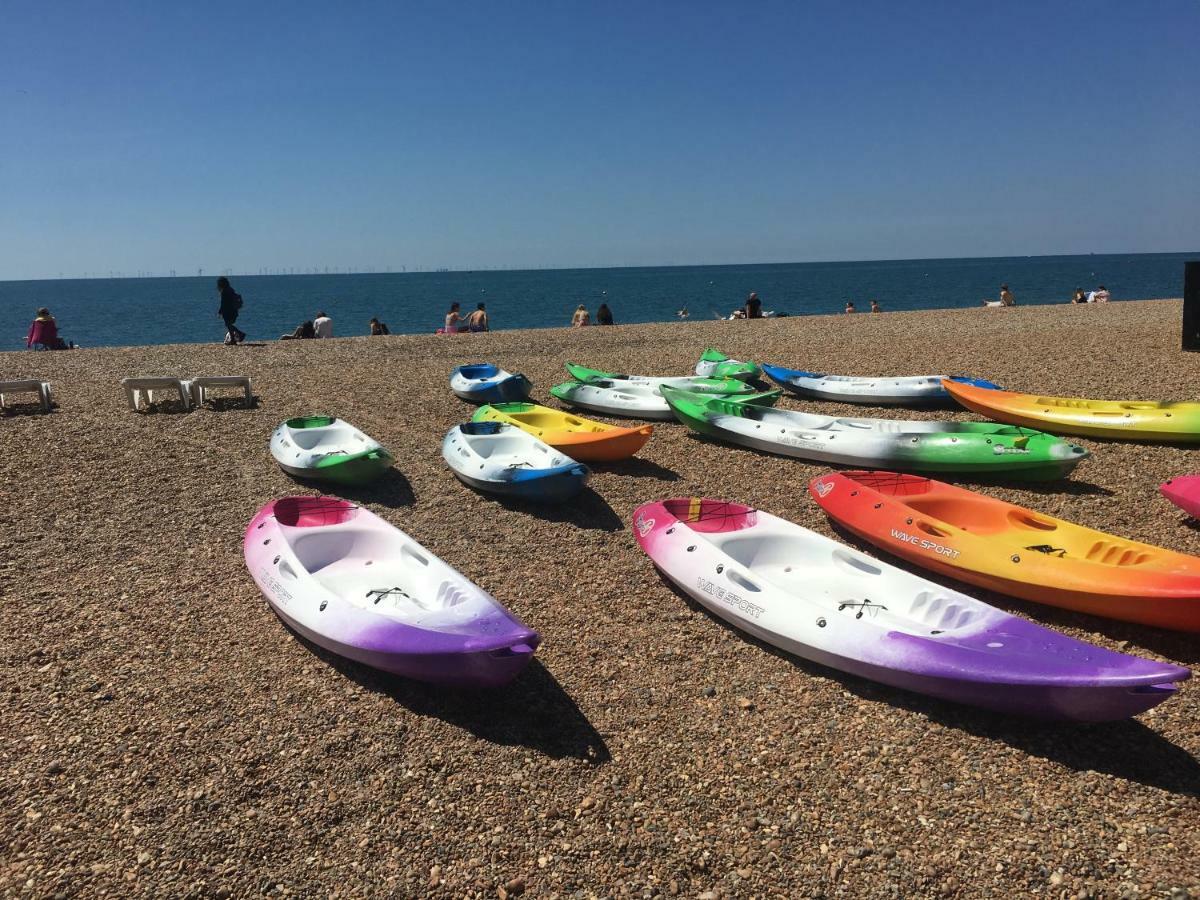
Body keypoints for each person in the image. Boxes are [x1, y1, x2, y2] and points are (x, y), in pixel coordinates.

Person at [216, 277, 246, 344]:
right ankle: (234, 338)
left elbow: (223, 303)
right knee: (229, 325)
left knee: (228, 325)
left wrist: (220, 312)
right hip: (233, 310)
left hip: (227, 311)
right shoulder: (230, 289)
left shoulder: (224, 291)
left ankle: (238, 335)